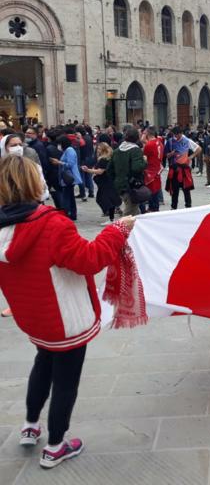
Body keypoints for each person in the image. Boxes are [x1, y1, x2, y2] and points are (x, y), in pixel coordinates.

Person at [0, 154, 135, 468]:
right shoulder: (51, 224)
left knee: (43, 364)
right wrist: (116, 231)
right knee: (65, 381)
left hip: (33, 316)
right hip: (64, 318)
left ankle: (31, 425)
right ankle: (56, 445)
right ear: (35, 183)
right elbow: (89, 259)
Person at [108, 127, 147, 217]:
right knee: (129, 213)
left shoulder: (117, 150)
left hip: (119, 184)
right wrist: (144, 162)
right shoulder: (135, 150)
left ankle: (135, 229)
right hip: (131, 185)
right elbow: (136, 168)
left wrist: (117, 179)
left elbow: (109, 169)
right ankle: (120, 230)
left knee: (134, 210)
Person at [82, 143, 121, 224]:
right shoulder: (107, 158)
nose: (98, 150)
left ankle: (110, 216)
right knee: (108, 199)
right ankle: (111, 217)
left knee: (103, 199)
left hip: (105, 182)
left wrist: (88, 170)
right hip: (106, 182)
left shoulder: (104, 159)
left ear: (103, 150)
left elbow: (100, 171)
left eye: (99, 149)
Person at [164, 126, 201, 210]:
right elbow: (166, 155)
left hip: (184, 169)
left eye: (178, 135)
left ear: (181, 133)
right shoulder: (170, 142)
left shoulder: (187, 141)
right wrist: (171, 154)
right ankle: (173, 207)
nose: (176, 137)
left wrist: (190, 157)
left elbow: (199, 149)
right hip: (173, 168)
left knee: (186, 189)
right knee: (174, 189)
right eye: (175, 135)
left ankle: (188, 207)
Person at [50, 135, 82, 221]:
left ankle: (67, 213)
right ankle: (72, 214)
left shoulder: (69, 150)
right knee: (70, 196)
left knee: (66, 196)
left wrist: (59, 162)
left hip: (69, 177)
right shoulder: (67, 150)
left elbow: (70, 164)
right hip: (67, 177)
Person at [143, 127, 164, 213]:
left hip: (150, 170)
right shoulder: (159, 142)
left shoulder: (149, 145)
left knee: (151, 191)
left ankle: (153, 208)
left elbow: (144, 158)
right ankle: (155, 207)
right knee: (156, 189)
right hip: (157, 168)